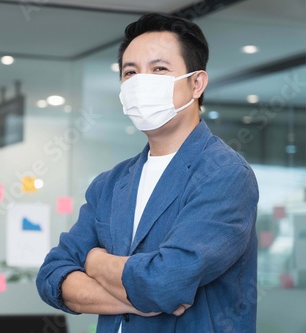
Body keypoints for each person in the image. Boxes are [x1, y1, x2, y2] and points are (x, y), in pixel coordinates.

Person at [36, 12, 259, 333]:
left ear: (196, 83)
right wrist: (134, 300)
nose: (141, 81)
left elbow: (165, 282)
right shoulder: (110, 183)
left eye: (159, 69)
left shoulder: (224, 174)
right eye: (130, 72)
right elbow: (51, 275)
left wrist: (94, 261)